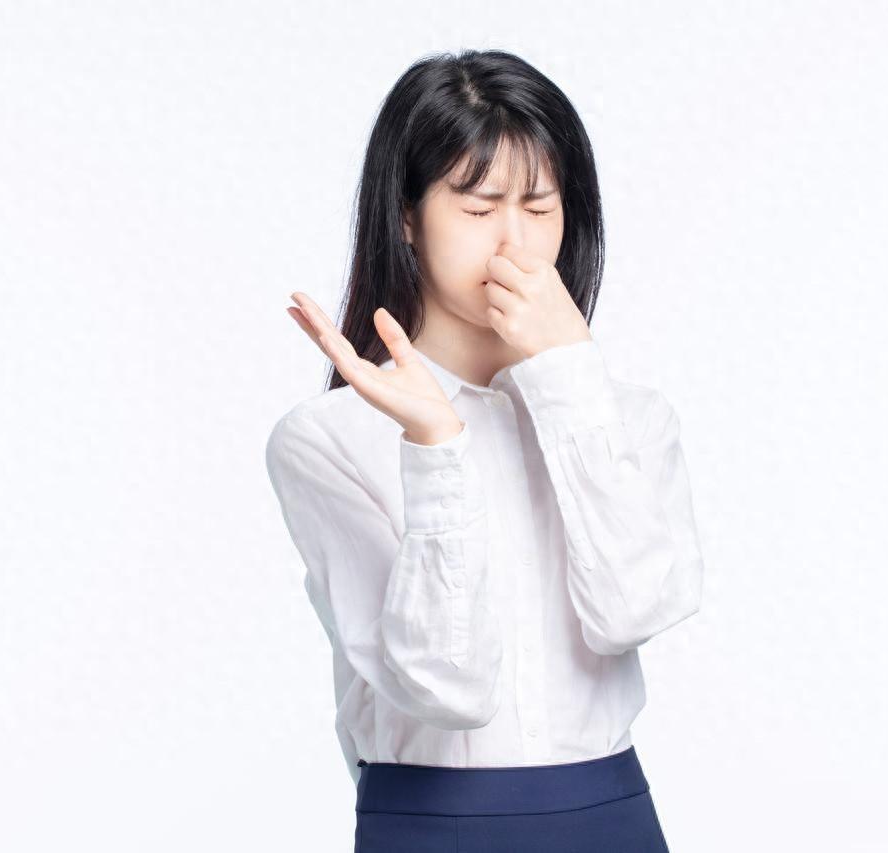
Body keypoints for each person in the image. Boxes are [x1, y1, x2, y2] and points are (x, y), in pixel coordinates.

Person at [265, 47, 704, 852]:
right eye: (477, 208)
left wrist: (567, 376)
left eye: (539, 206)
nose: (514, 244)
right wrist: (436, 447)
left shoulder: (631, 418)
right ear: (407, 216)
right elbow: (448, 686)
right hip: (431, 822)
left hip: (610, 814)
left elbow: (636, 611)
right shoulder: (330, 438)